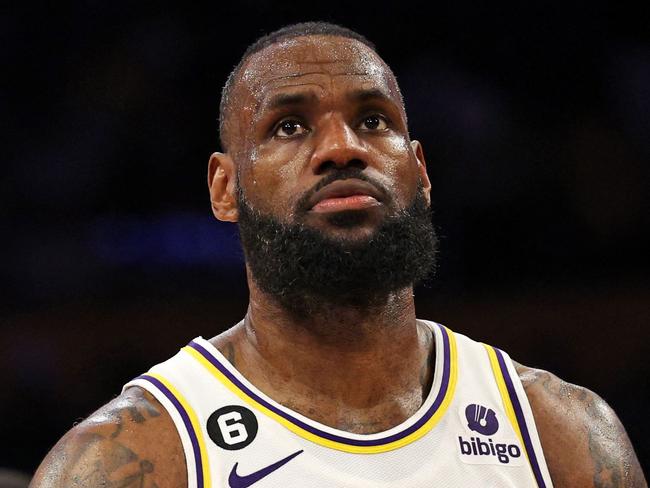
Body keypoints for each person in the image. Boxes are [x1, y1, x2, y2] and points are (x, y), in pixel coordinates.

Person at [31, 22, 646, 488]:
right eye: (289, 127)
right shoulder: (129, 459)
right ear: (225, 188)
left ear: (421, 171)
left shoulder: (561, 434)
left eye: (373, 120)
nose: (342, 149)